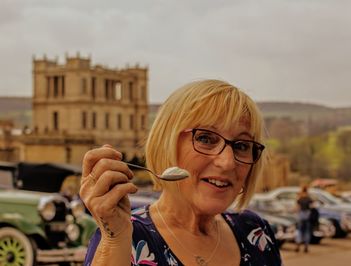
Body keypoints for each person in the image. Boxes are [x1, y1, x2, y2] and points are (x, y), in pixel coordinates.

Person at [80, 79, 282, 266]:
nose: (227, 162)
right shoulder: (126, 236)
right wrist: (115, 240)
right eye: (206, 138)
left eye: (241, 146)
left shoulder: (255, 231)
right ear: (166, 143)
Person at [295, 185, 313, 253]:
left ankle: (298, 245)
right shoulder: (309, 198)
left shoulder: (300, 198)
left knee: (299, 230)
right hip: (307, 215)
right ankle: (306, 246)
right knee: (307, 231)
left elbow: (297, 208)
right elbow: (312, 206)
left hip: (301, 215)